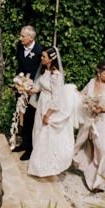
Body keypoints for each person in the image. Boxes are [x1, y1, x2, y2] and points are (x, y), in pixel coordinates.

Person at [73, 61, 105, 192]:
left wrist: (103, 109)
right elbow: (82, 97)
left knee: (103, 150)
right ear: (98, 72)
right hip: (90, 119)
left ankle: (99, 182)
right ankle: (89, 173)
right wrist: (88, 104)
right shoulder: (91, 82)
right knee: (88, 145)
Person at [27, 46, 75, 178]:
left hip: (49, 106)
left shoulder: (56, 76)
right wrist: (29, 89)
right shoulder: (44, 71)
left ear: (51, 59)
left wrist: (48, 114)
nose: (41, 58)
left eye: (44, 57)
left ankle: (45, 165)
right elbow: (40, 86)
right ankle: (37, 162)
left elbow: (57, 97)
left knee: (46, 135)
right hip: (41, 103)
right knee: (37, 130)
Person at [14, 25, 43, 160]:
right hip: (21, 87)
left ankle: (30, 148)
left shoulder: (39, 51)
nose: (20, 38)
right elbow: (19, 67)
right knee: (22, 116)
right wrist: (18, 82)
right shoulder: (20, 47)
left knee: (31, 118)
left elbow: (42, 73)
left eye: (23, 36)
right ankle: (24, 143)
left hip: (33, 91)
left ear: (31, 38)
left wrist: (33, 87)